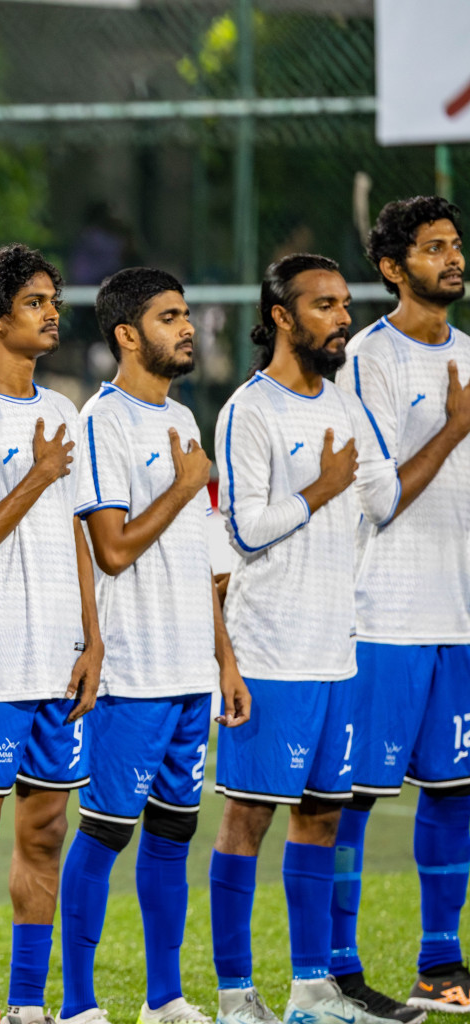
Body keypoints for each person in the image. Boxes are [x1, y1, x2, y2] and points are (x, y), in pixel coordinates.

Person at [208, 253, 398, 1024]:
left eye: (345, 304)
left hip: (335, 648)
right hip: (272, 650)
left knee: (322, 813)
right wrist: (320, 487)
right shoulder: (247, 410)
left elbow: (374, 505)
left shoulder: (345, 405)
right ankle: (232, 995)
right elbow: (246, 532)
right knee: (249, 818)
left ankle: (313, 991)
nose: (342, 317)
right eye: (324, 305)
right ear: (282, 317)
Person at [59, 267, 252, 1024]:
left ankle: (163, 998)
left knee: (174, 834)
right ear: (127, 336)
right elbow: (111, 548)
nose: (188, 329)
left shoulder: (185, 423)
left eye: (187, 316)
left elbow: (201, 560)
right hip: (131, 671)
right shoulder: (100, 422)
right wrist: (182, 484)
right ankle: (78, 1005)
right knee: (106, 834)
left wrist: (225, 661)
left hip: (187, 672)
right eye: (171, 316)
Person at [0, 244, 104, 1024]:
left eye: (54, 299)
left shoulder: (64, 411)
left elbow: (76, 535)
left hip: (58, 656)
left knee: (47, 830)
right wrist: (35, 474)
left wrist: (92, 639)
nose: (52, 313)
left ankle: (27, 1007)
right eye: (37, 300)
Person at [333, 196, 470, 1018]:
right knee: (356, 797)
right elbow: (378, 500)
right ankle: (342, 970)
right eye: (433, 248)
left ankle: (441, 964)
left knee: (457, 791)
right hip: (383, 613)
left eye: (456, 245)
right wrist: (454, 427)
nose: (452, 258)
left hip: (460, 616)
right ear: (393, 268)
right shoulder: (367, 361)